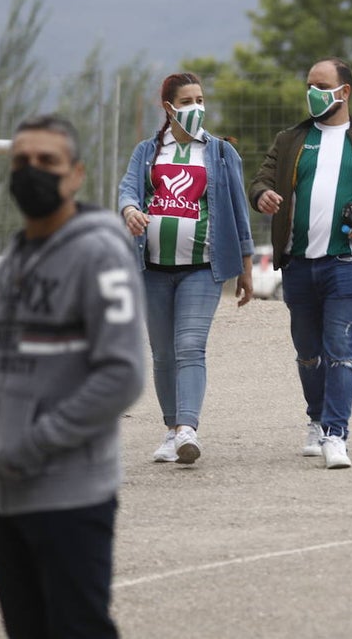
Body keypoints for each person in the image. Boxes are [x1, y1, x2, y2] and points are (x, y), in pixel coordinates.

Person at [0, 115, 146, 638]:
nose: (32, 171)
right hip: (1, 497)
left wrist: (35, 443)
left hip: (70, 497)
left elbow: (123, 374)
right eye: (21, 161)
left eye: (47, 162)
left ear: (76, 175)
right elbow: (1, 362)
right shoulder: (14, 258)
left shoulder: (99, 253)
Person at [249, 57, 352, 469]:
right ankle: (316, 418)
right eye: (308, 85)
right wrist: (262, 197)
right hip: (299, 264)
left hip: (349, 262)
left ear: (345, 92)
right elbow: (261, 181)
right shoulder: (290, 140)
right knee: (308, 351)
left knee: (340, 347)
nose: (312, 93)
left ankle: (336, 434)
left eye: (321, 86)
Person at [118, 72, 255, 465]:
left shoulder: (221, 153)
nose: (197, 106)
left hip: (202, 268)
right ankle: (171, 428)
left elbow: (237, 214)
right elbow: (128, 188)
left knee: (190, 346)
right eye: (188, 100)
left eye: (200, 99)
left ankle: (187, 430)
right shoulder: (147, 151)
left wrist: (246, 269)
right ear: (169, 107)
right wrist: (130, 210)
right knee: (162, 353)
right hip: (152, 269)